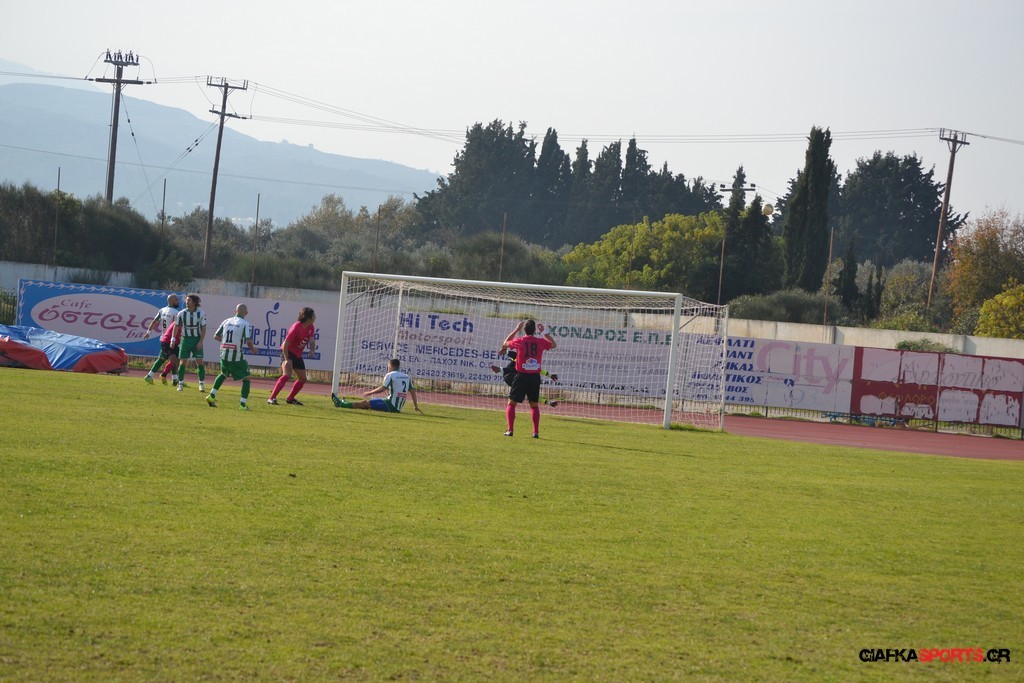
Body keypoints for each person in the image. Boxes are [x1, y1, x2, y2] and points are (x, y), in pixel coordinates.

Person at [502, 319, 556, 438]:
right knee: (534, 404)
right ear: (534, 330)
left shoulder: (520, 340)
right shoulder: (540, 341)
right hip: (535, 377)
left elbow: (505, 343)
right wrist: (544, 332)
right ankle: (535, 432)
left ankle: (510, 430)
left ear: (524, 330)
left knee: (512, 403)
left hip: (521, 376)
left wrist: (516, 329)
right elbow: (553, 344)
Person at [205, 304, 258, 410]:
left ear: (235, 311)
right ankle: (242, 405)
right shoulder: (245, 324)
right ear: (246, 313)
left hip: (223, 352)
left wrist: (226, 343)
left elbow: (216, 336)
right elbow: (248, 341)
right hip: (236, 354)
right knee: (247, 377)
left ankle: (211, 396)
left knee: (223, 373)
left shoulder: (226, 321)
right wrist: (253, 349)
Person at [331, 359, 422, 414]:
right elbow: (413, 392)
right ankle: (346, 403)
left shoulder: (390, 375)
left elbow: (383, 388)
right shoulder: (406, 376)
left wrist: (369, 392)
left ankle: (341, 404)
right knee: (368, 405)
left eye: (388, 366)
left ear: (391, 366)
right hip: (397, 407)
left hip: (390, 405)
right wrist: (415, 406)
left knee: (366, 403)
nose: (388, 368)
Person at [267, 307, 317, 406]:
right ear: (308, 318)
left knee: (302, 378)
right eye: (314, 316)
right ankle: (271, 398)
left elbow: (311, 341)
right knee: (287, 375)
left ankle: (290, 398)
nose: (315, 317)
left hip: (297, 354)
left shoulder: (311, 327)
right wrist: (286, 359)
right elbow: (285, 344)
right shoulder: (296, 327)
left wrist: (312, 350)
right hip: (287, 351)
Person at [490, 349, 560, 407]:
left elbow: (535, 397)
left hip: (510, 377)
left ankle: (500, 368)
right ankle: (503, 361)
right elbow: (538, 370)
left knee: (520, 370)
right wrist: (550, 375)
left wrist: (548, 402)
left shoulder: (527, 384)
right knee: (520, 366)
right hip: (511, 374)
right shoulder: (525, 362)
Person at [142, 293, 180, 385]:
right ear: (171, 301)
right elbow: (176, 326)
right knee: (171, 359)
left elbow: (154, 321)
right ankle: (150, 375)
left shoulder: (162, 310)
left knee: (170, 358)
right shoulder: (176, 312)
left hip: (164, 337)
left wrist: (148, 332)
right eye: (176, 300)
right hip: (170, 339)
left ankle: (175, 379)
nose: (178, 301)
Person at [173, 293, 207, 392]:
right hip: (185, 340)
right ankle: (180, 384)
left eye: (189, 300)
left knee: (199, 362)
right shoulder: (181, 313)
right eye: (186, 300)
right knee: (182, 362)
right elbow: (176, 326)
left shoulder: (201, 313)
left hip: (196, 340)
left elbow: (203, 328)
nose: (186, 302)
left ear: (194, 302)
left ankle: (201, 384)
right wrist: (173, 339)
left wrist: (201, 342)